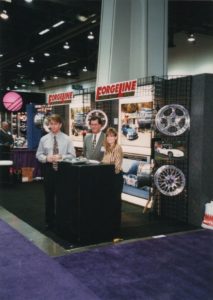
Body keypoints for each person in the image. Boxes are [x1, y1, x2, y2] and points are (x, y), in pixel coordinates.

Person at [36, 114, 76, 229]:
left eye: (55, 124)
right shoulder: (44, 139)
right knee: (49, 197)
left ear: (60, 125)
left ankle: (62, 221)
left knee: (62, 197)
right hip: (49, 170)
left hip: (63, 171)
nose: (52, 126)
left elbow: (72, 155)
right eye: (51, 124)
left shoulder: (67, 139)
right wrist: (46, 158)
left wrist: (61, 157)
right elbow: (38, 154)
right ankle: (49, 221)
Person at [102, 127, 123, 237]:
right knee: (109, 203)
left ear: (115, 137)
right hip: (108, 179)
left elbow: (117, 167)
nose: (110, 137)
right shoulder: (107, 148)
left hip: (115, 178)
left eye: (112, 135)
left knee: (115, 203)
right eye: (108, 136)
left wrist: (106, 172)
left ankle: (116, 229)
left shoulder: (117, 148)